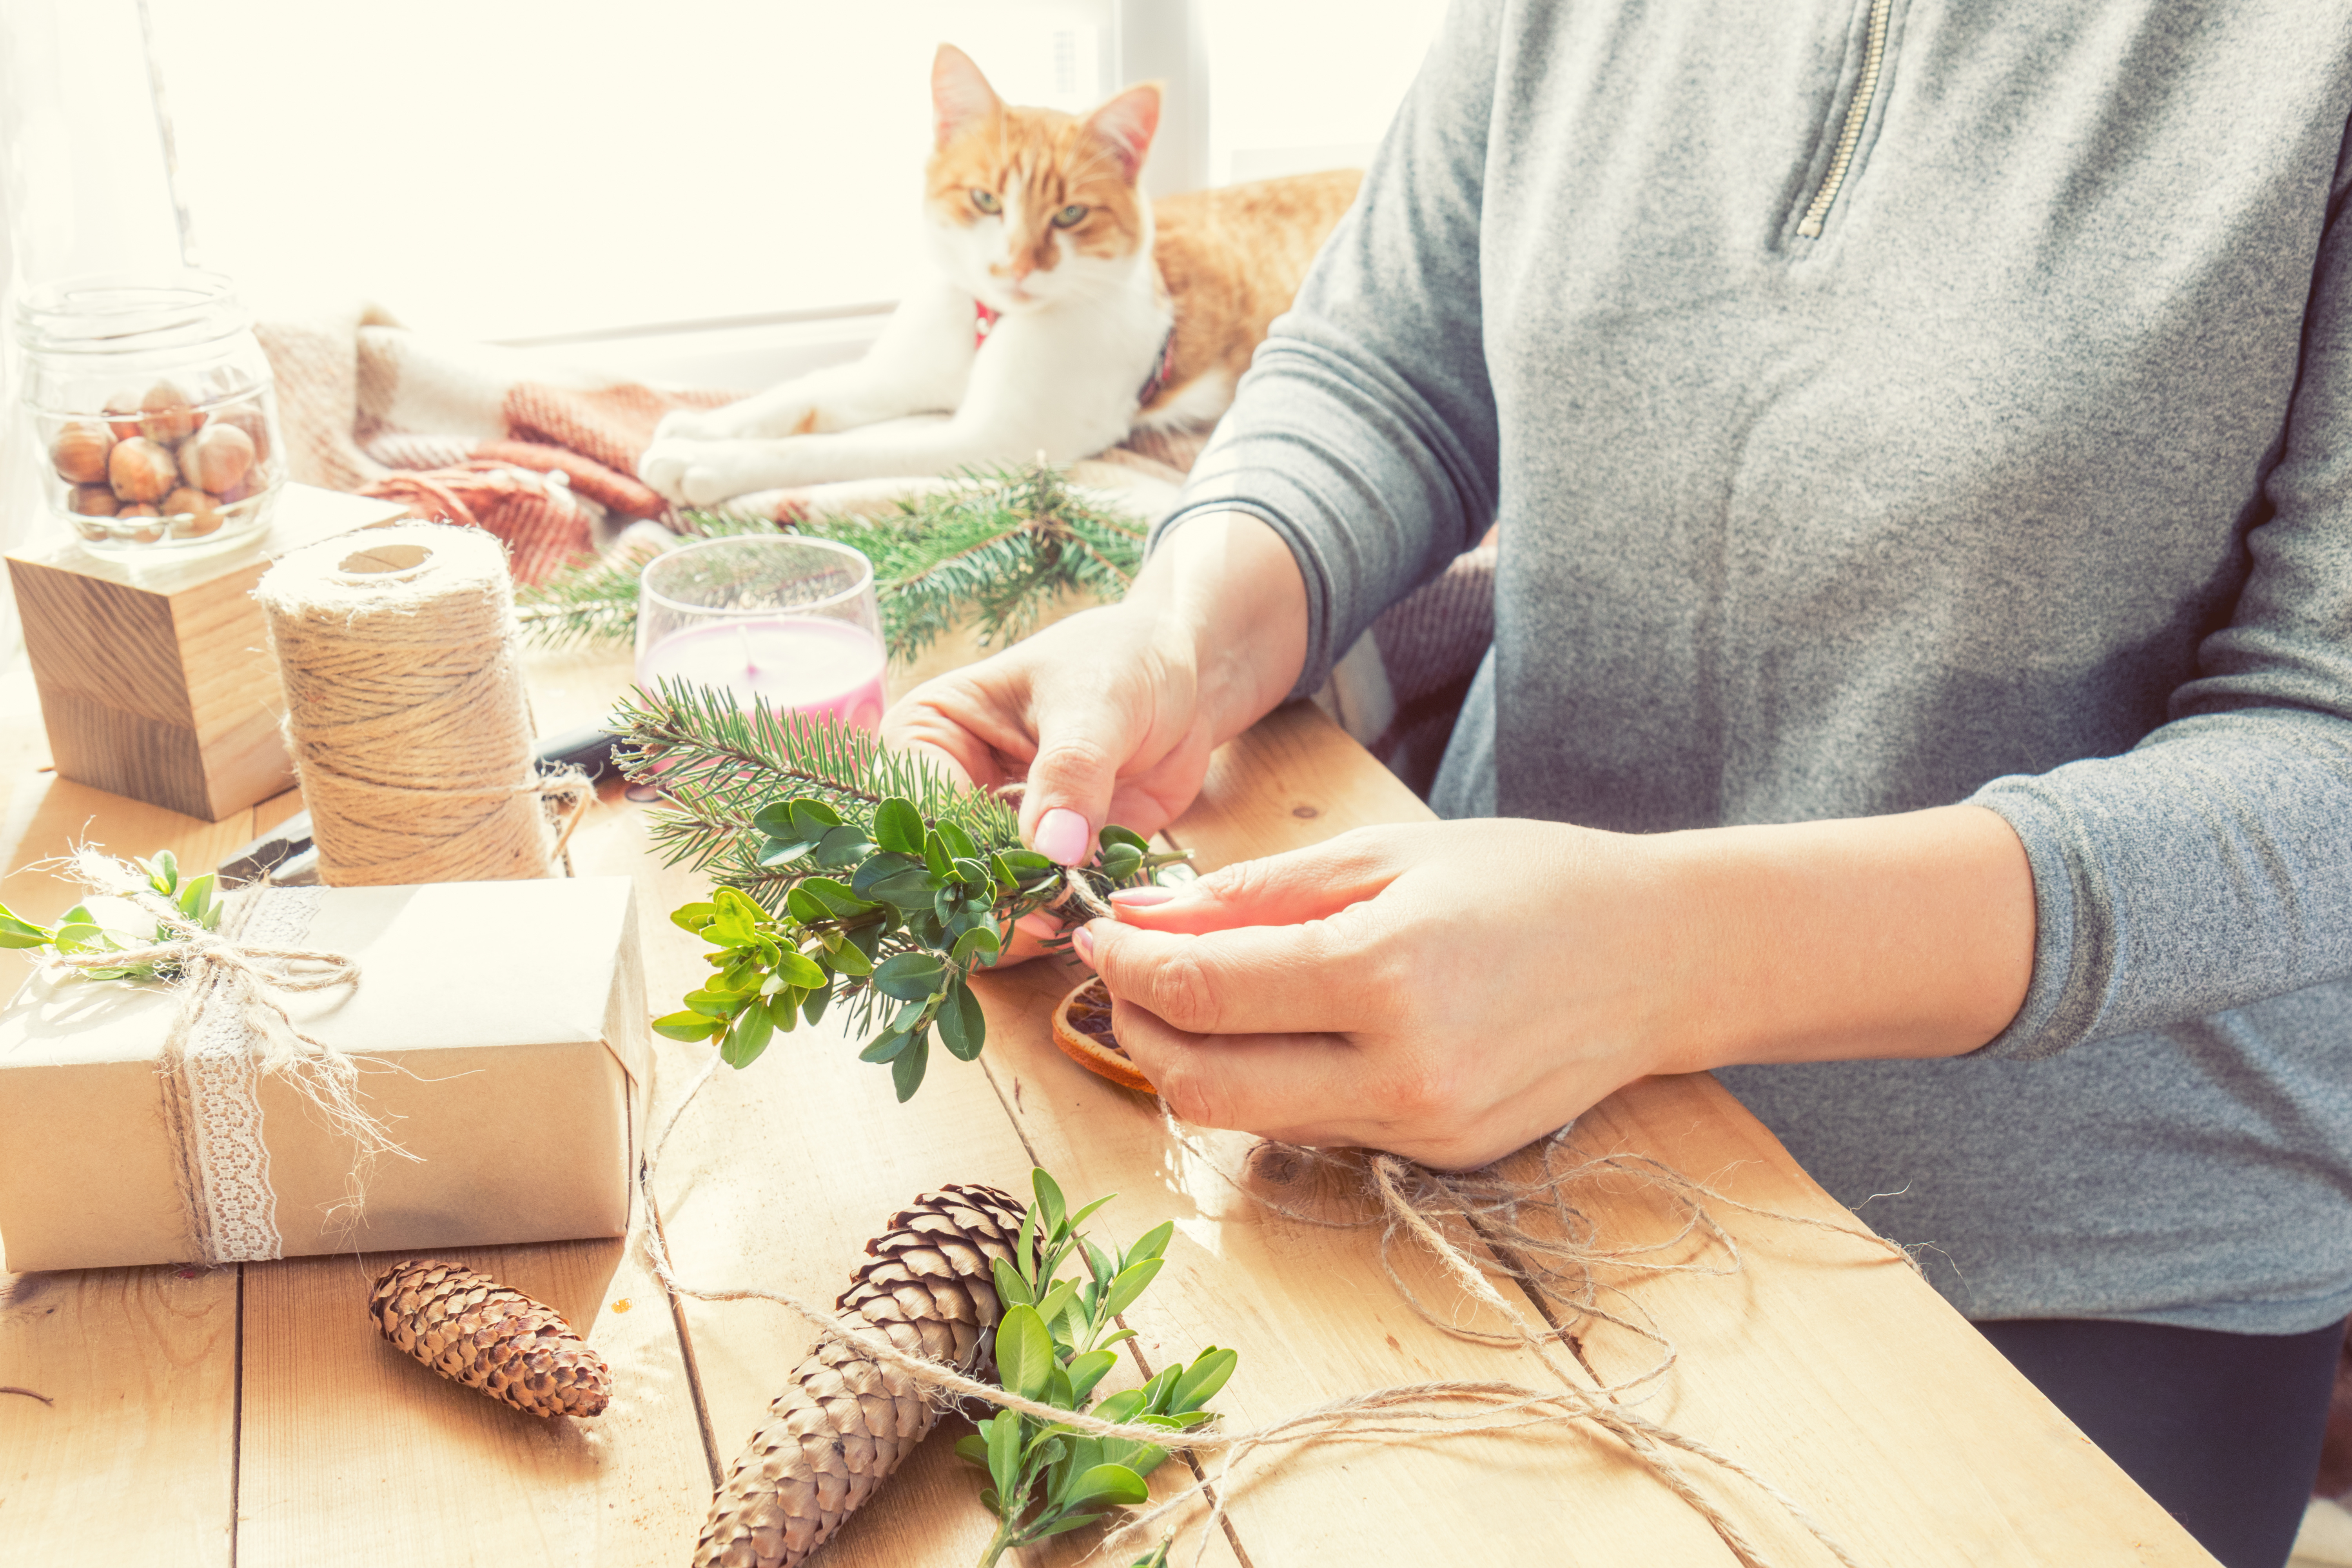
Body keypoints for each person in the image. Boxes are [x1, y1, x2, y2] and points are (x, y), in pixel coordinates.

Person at [883, 4, 2352, 1563]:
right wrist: (1183, 641)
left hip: (2064, 1263)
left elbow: (2322, 757)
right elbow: (1392, 369)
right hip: (1487, 1130)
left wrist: (1663, 959)